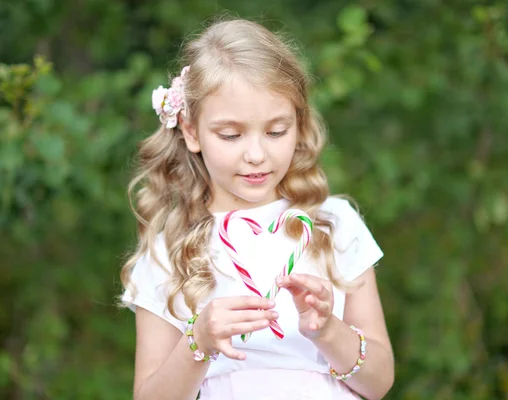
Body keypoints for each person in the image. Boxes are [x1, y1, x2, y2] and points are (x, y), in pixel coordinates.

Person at [120, 18, 394, 400]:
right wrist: (198, 341)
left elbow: (379, 383)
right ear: (191, 131)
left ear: (298, 125)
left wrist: (328, 330)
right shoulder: (170, 249)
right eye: (231, 135)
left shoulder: (334, 226)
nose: (256, 155)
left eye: (276, 131)